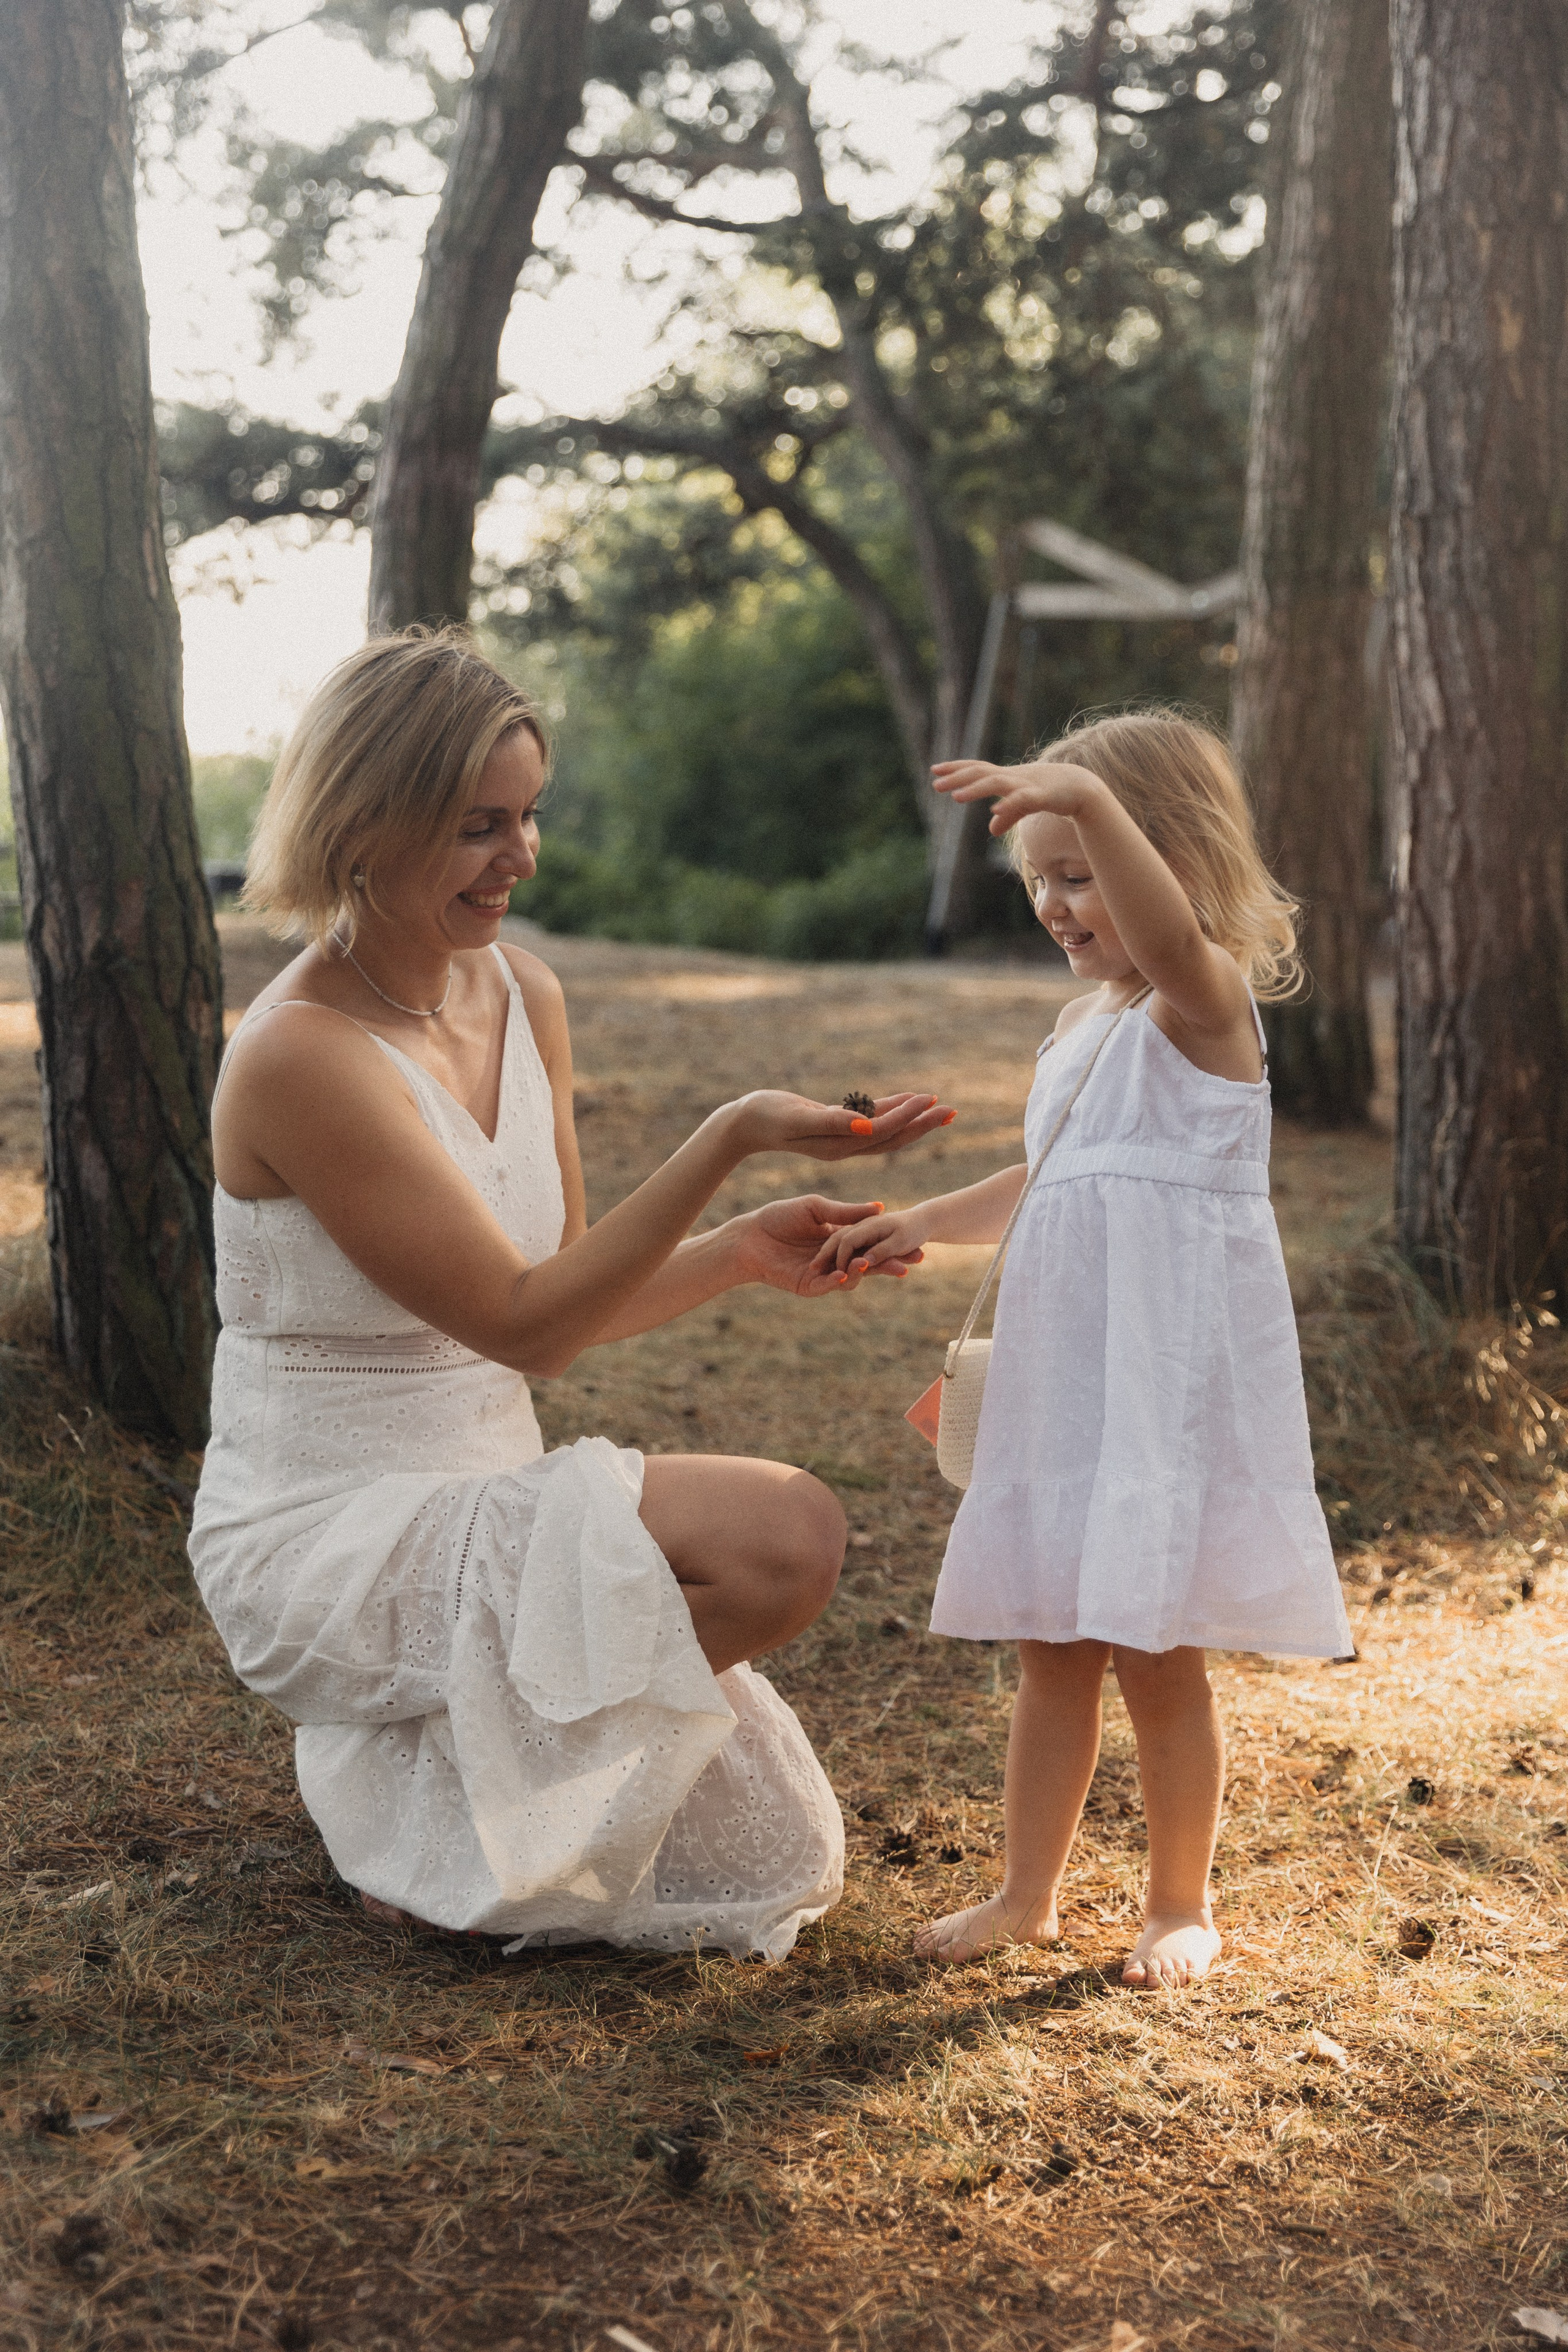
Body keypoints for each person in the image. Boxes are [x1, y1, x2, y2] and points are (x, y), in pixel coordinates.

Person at [189, 627, 950, 1961]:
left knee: (776, 1646)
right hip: (326, 1533)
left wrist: (737, 1251)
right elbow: (526, 1325)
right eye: (479, 826)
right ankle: (407, 1772)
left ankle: (431, 1776)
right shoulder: (301, 1055)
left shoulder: (522, 991)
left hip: (485, 1490)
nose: (522, 857)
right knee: (787, 1535)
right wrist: (726, 1136)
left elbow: (565, 1292)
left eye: (529, 815)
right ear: (362, 827)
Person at [812, 710, 1351, 1987]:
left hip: (1159, 1386)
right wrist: (920, 1223)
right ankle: (1025, 1895)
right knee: (1049, 1647)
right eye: (1040, 879)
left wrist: (1090, 800)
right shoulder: (1080, 1027)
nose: (1055, 905)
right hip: (1071, 1380)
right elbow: (1051, 1177)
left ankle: (1178, 1905)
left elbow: (1164, 940)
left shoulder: (1202, 1003)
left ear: (1170, 861)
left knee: (1157, 1654)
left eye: (1082, 874)